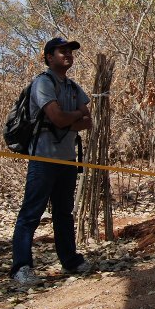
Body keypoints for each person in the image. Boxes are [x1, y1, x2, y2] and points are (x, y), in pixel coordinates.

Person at [11, 37, 92, 286]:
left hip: (67, 160)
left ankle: (70, 260)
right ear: (48, 56)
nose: (67, 54)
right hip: (44, 158)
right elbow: (56, 118)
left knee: (64, 213)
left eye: (70, 51)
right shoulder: (42, 83)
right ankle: (21, 267)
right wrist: (75, 116)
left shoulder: (73, 87)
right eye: (62, 51)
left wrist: (74, 116)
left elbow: (87, 121)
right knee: (31, 214)